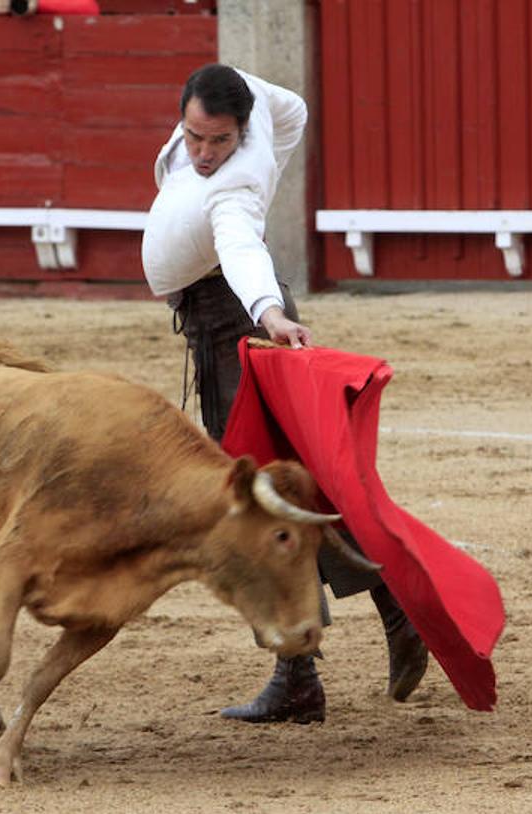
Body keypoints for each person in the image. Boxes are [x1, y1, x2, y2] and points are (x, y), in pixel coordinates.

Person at [141, 63, 427, 723]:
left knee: (261, 501)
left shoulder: (236, 184)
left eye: (218, 141)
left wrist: (269, 312)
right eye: (194, 138)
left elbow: (241, 248)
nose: (206, 154)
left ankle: (317, 660)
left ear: (242, 132)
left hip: (236, 332)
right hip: (220, 328)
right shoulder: (255, 119)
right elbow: (292, 105)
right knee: (292, 490)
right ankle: (376, 617)